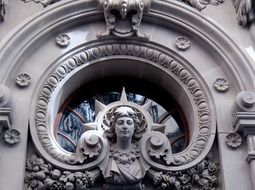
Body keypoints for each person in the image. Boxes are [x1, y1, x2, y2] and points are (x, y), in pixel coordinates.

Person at [104, 106, 145, 189]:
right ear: (114, 127)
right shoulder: (105, 153)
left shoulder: (142, 154)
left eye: (129, 123)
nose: (125, 126)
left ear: (135, 127)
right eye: (120, 122)